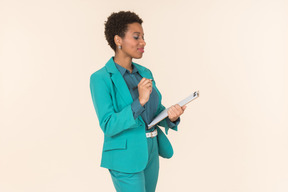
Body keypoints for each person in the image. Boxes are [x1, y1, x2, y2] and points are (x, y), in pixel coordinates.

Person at [90, 11, 186, 192]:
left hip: (150, 150)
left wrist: (171, 116)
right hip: (124, 156)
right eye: (136, 37)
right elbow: (108, 125)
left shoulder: (145, 73)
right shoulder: (100, 78)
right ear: (118, 40)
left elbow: (155, 111)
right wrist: (140, 101)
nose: (143, 42)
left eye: (143, 37)